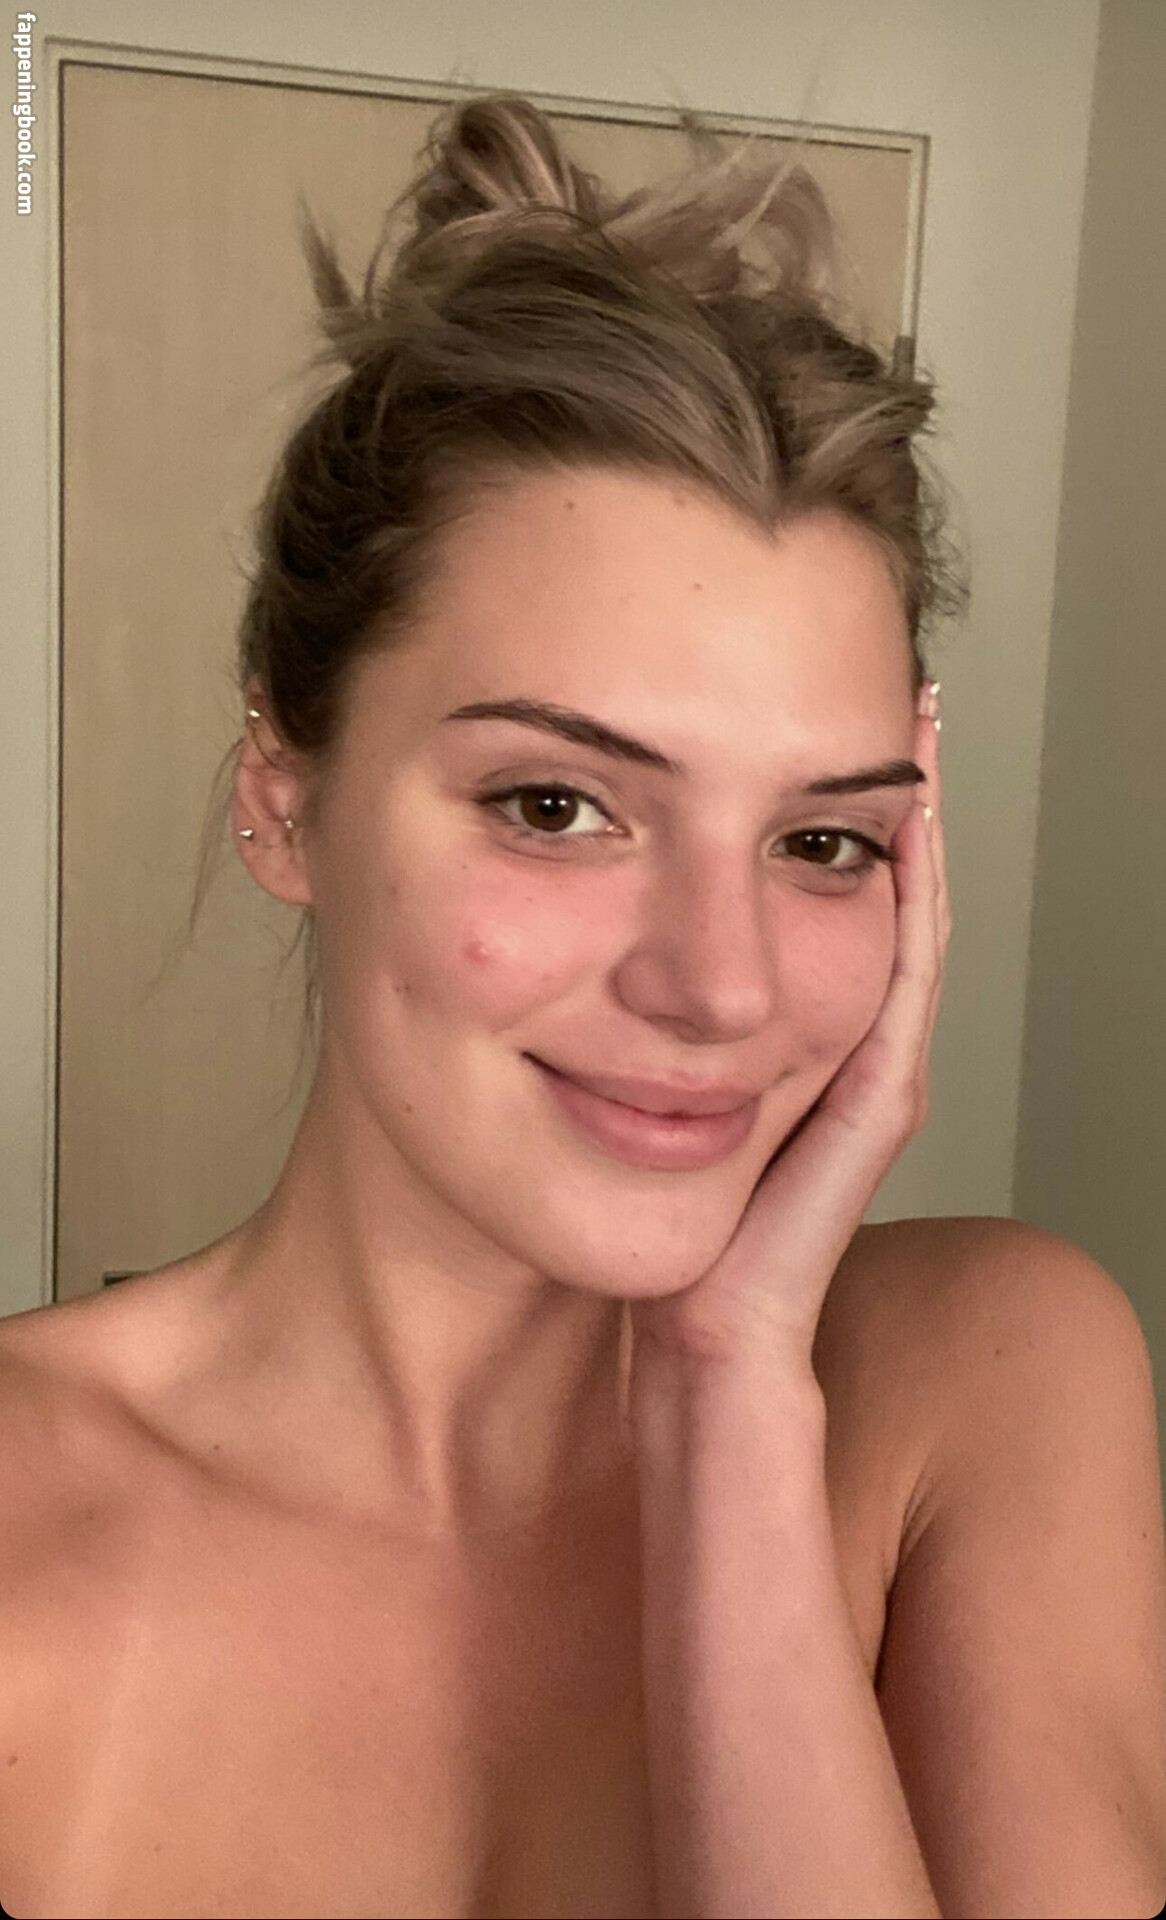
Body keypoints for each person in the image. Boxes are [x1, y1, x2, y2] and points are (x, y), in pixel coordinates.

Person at [1, 93, 1163, 1920]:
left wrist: (728, 1395)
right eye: (556, 805)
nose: (720, 984)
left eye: (823, 841)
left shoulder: (984, 1383)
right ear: (285, 797)